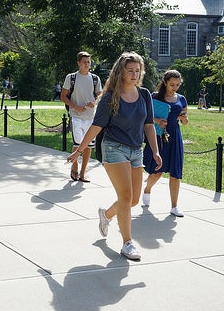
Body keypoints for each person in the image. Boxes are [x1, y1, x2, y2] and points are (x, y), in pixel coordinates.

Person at [67, 52, 162, 261]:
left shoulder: (145, 94)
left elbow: (148, 125)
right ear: (121, 72)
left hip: (136, 150)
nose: (134, 74)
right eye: (130, 71)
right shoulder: (110, 97)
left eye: (137, 71)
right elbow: (96, 127)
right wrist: (79, 150)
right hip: (113, 148)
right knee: (126, 196)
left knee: (134, 200)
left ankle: (107, 215)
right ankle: (127, 243)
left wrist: (155, 150)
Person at [142, 70, 189, 217]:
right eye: (172, 84)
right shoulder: (155, 96)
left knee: (175, 172)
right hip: (157, 135)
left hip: (174, 135)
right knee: (157, 172)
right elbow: (145, 115)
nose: (175, 87)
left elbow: (186, 120)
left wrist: (184, 119)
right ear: (165, 82)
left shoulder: (182, 99)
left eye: (177, 84)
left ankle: (174, 206)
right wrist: (157, 121)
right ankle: (147, 189)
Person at [60, 51, 103, 182]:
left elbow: (100, 95)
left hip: (90, 117)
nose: (87, 64)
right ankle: (75, 168)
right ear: (78, 63)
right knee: (78, 144)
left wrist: (94, 102)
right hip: (76, 116)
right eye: (84, 62)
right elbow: (63, 96)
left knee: (88, 146)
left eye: (88, 62)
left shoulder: (95, 78)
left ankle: (83, 173)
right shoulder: (71, 77)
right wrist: (74, 106)